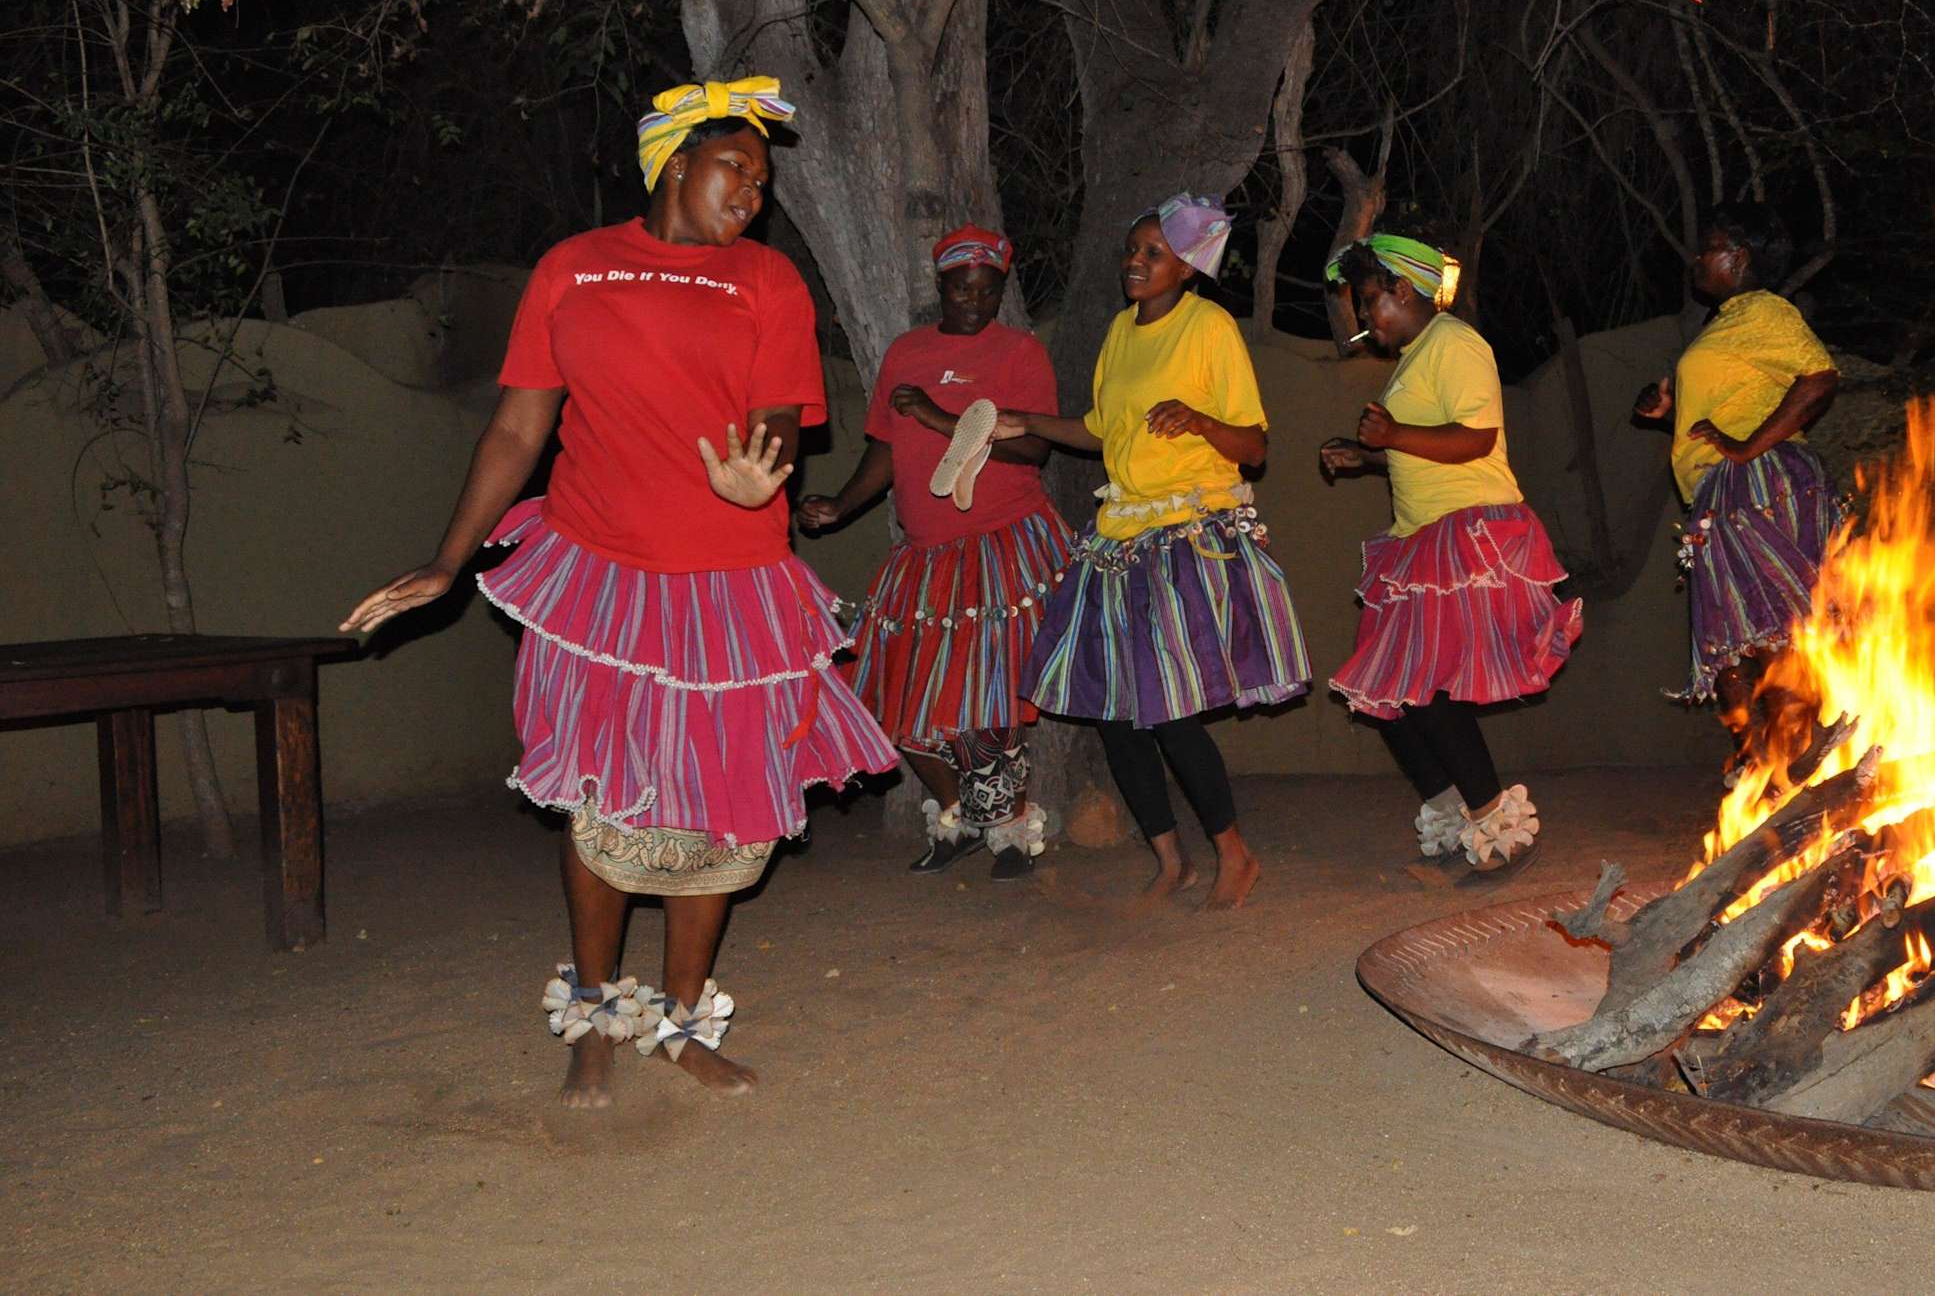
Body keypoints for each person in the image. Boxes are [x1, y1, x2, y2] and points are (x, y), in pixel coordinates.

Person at [340, 78, 897, 1109]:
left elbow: (781, 413)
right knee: (599, 798)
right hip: (599, 579)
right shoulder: (575, 266)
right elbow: (519, 427)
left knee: (723, 810)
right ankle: (594, 1015)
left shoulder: (765, 278)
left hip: (731, 582)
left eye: (762, 179)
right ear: (677, 163)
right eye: (736, 167)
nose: (754, 192)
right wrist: (447, 560)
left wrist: (762, 471)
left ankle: (680, 1024)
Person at [995, 195, 1309, 912]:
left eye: (1153, 253)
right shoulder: (1119, 330)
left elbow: (1253, 445)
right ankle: (1170, 860)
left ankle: (1234, 853)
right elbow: (1101, 430)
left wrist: (1197, 419)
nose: (1134, 263)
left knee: (1169, 710)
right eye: (1132, 250)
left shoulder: (1208, 327)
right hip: (1118, 536)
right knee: (1113, 712)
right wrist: (1026, 423)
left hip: (1185, 535)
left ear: (1188, 267)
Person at [798, 225, 1071, 877]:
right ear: (941, 284)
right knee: (895, 704)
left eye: (989, 290)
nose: (975, 301)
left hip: (1001, 546)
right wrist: (841, 503)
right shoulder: (907, 352)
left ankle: (1010, 832)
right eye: (962, 288)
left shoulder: (1019, 352)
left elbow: (1033, 447)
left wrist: (937, 416)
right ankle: (959, 815)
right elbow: (886, 448)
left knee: (984, 701)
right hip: (923, 555)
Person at [1318, 228, 1583, 875]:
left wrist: (1393, 434)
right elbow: (1424, 450)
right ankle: (1449, 809)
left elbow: (1475, 439)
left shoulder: (1455, 342)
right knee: (1386, 688)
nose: (1365, 317)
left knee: (1426, 687)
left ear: (1402, 290)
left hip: (1467, 533)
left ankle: (1500, 828)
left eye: (1369, 300)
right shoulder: (1414, 357)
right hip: (1418, 540)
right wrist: (1367, 458)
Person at [1633, 207, 1842, 712]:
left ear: (1740, 257)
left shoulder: (1763, 311)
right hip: (1720, 494)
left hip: (1758, 483)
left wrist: (1748, 446)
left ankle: (1796, 745)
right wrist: (1669, 414)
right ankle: (1766, 756)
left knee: (1773, 633)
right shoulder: (1726, 323)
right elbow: (1730, 406)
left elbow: (1820, 377)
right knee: (1733, 649)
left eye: (1709, 248)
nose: (1697, 259)